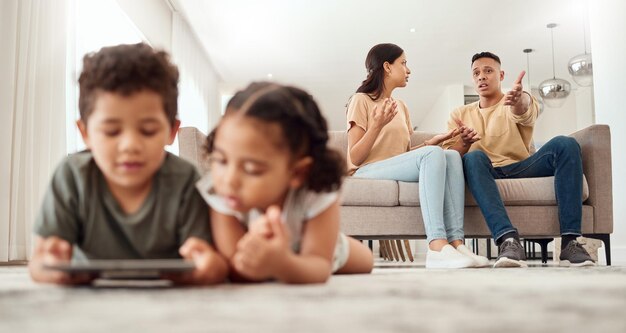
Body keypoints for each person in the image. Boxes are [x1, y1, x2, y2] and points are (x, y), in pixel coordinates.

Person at [29, 43, 228, 285]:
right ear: (85, 133)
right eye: (112, 131)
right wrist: (52, 264)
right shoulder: (72, 175)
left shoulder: (186, 179)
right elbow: (39, 262)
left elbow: (210, 261)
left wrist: (206, 265)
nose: (130, 145)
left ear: (171, 131)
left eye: (148, 130)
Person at [197, 82, 374, 284]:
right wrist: (259, 253)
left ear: (298, 171)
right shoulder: (220, 192)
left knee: (366, 261)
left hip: (312, 245)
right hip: (265, 252)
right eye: (221, 160)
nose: (229, 180)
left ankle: (334, 239)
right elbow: (236, 266)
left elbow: (319, 267)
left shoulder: (315, 191)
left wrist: (282, 264)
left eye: (252, 169)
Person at [442, 51, 595, 268]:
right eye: (476, 73)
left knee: (566, 144)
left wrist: (519, 100)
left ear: (501, 75)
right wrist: (464, 144)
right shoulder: (459, 113)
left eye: (488, 71)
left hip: (523, 166)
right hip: (485, 171)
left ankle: (571, 242)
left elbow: (523, 110)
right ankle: (508, 239)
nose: (481, 77)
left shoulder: (514, 99)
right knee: (473, 157)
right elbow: (450, 158)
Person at [346, 43, 489, 269]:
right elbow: (355, 157)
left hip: (391, 168)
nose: (408, 69)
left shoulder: (401, 106)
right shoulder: (361, 100)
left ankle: (456, 243)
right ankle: (436, 246)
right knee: (433, 155)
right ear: (387, 67)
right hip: (367, 171)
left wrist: (430, 144)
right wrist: (376, 125)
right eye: (403, 63)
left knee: (450, 156)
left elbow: (402, 157)